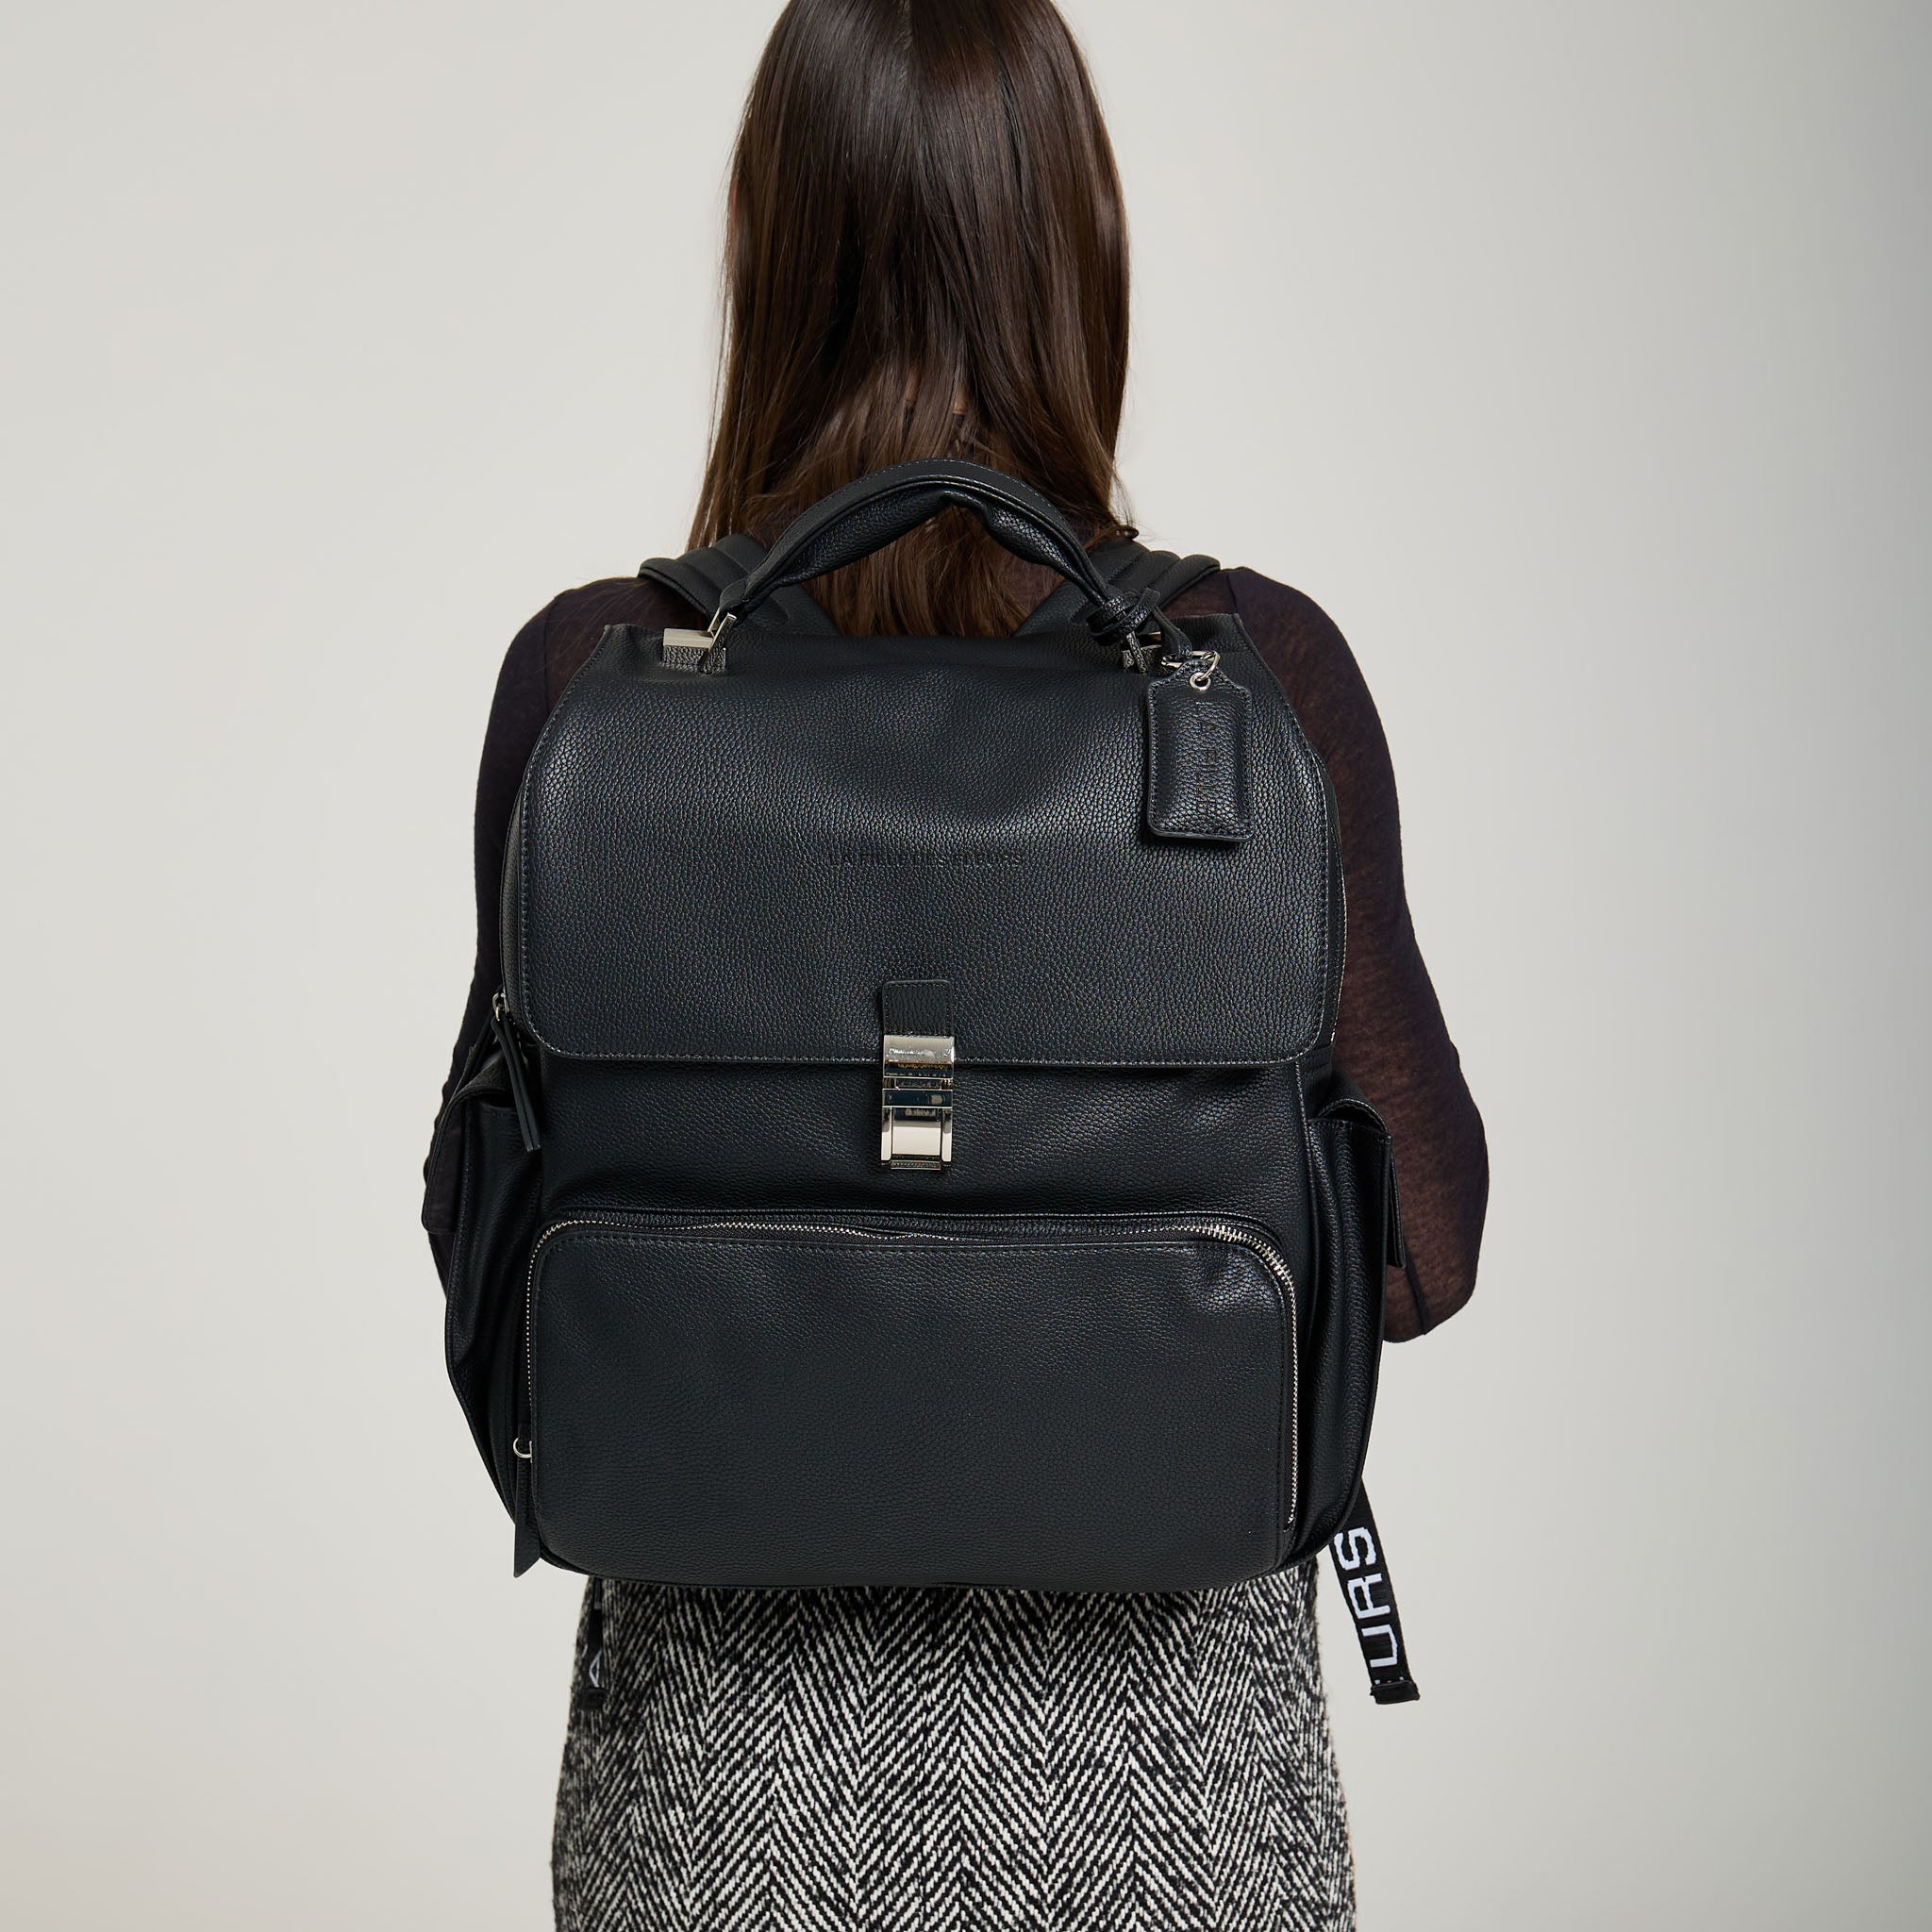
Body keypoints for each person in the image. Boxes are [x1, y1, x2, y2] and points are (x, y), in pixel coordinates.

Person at [437, 1, 1488, 1923]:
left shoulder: (601, 684)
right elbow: (1419, 1252)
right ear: (1085, 256)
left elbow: (492, 1257)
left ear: (762, 251)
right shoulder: (1254, 679)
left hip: (725, 1786)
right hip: (1174, 1771)